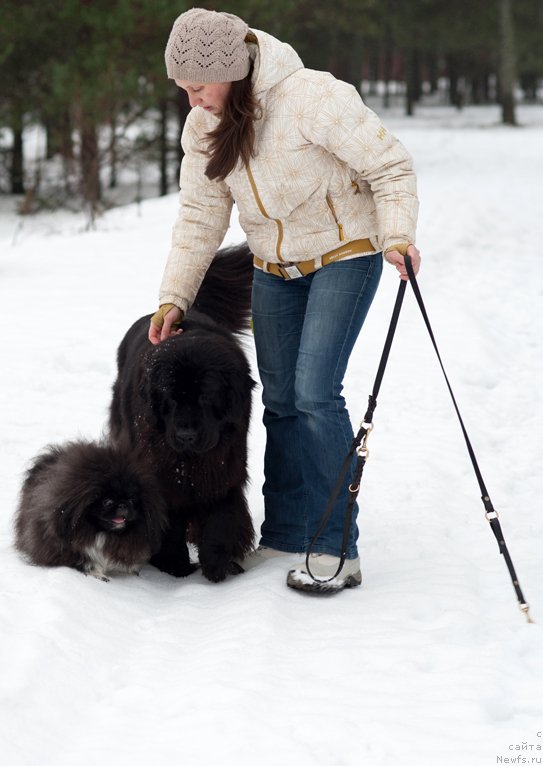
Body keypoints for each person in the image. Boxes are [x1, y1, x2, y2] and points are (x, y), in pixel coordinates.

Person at [149, 7, 421, 594]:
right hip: (273, 268)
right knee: (278, 400)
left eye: (197, 87)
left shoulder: (311, 98)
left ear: (228, 69)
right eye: (184, 91)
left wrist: (397, 234)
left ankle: (334, 547)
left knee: (316, 395)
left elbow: (389, 165)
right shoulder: (205, 127)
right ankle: (288, 528)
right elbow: (200, 215)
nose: (192, 102)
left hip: (344, 255)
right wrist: (174, 297)